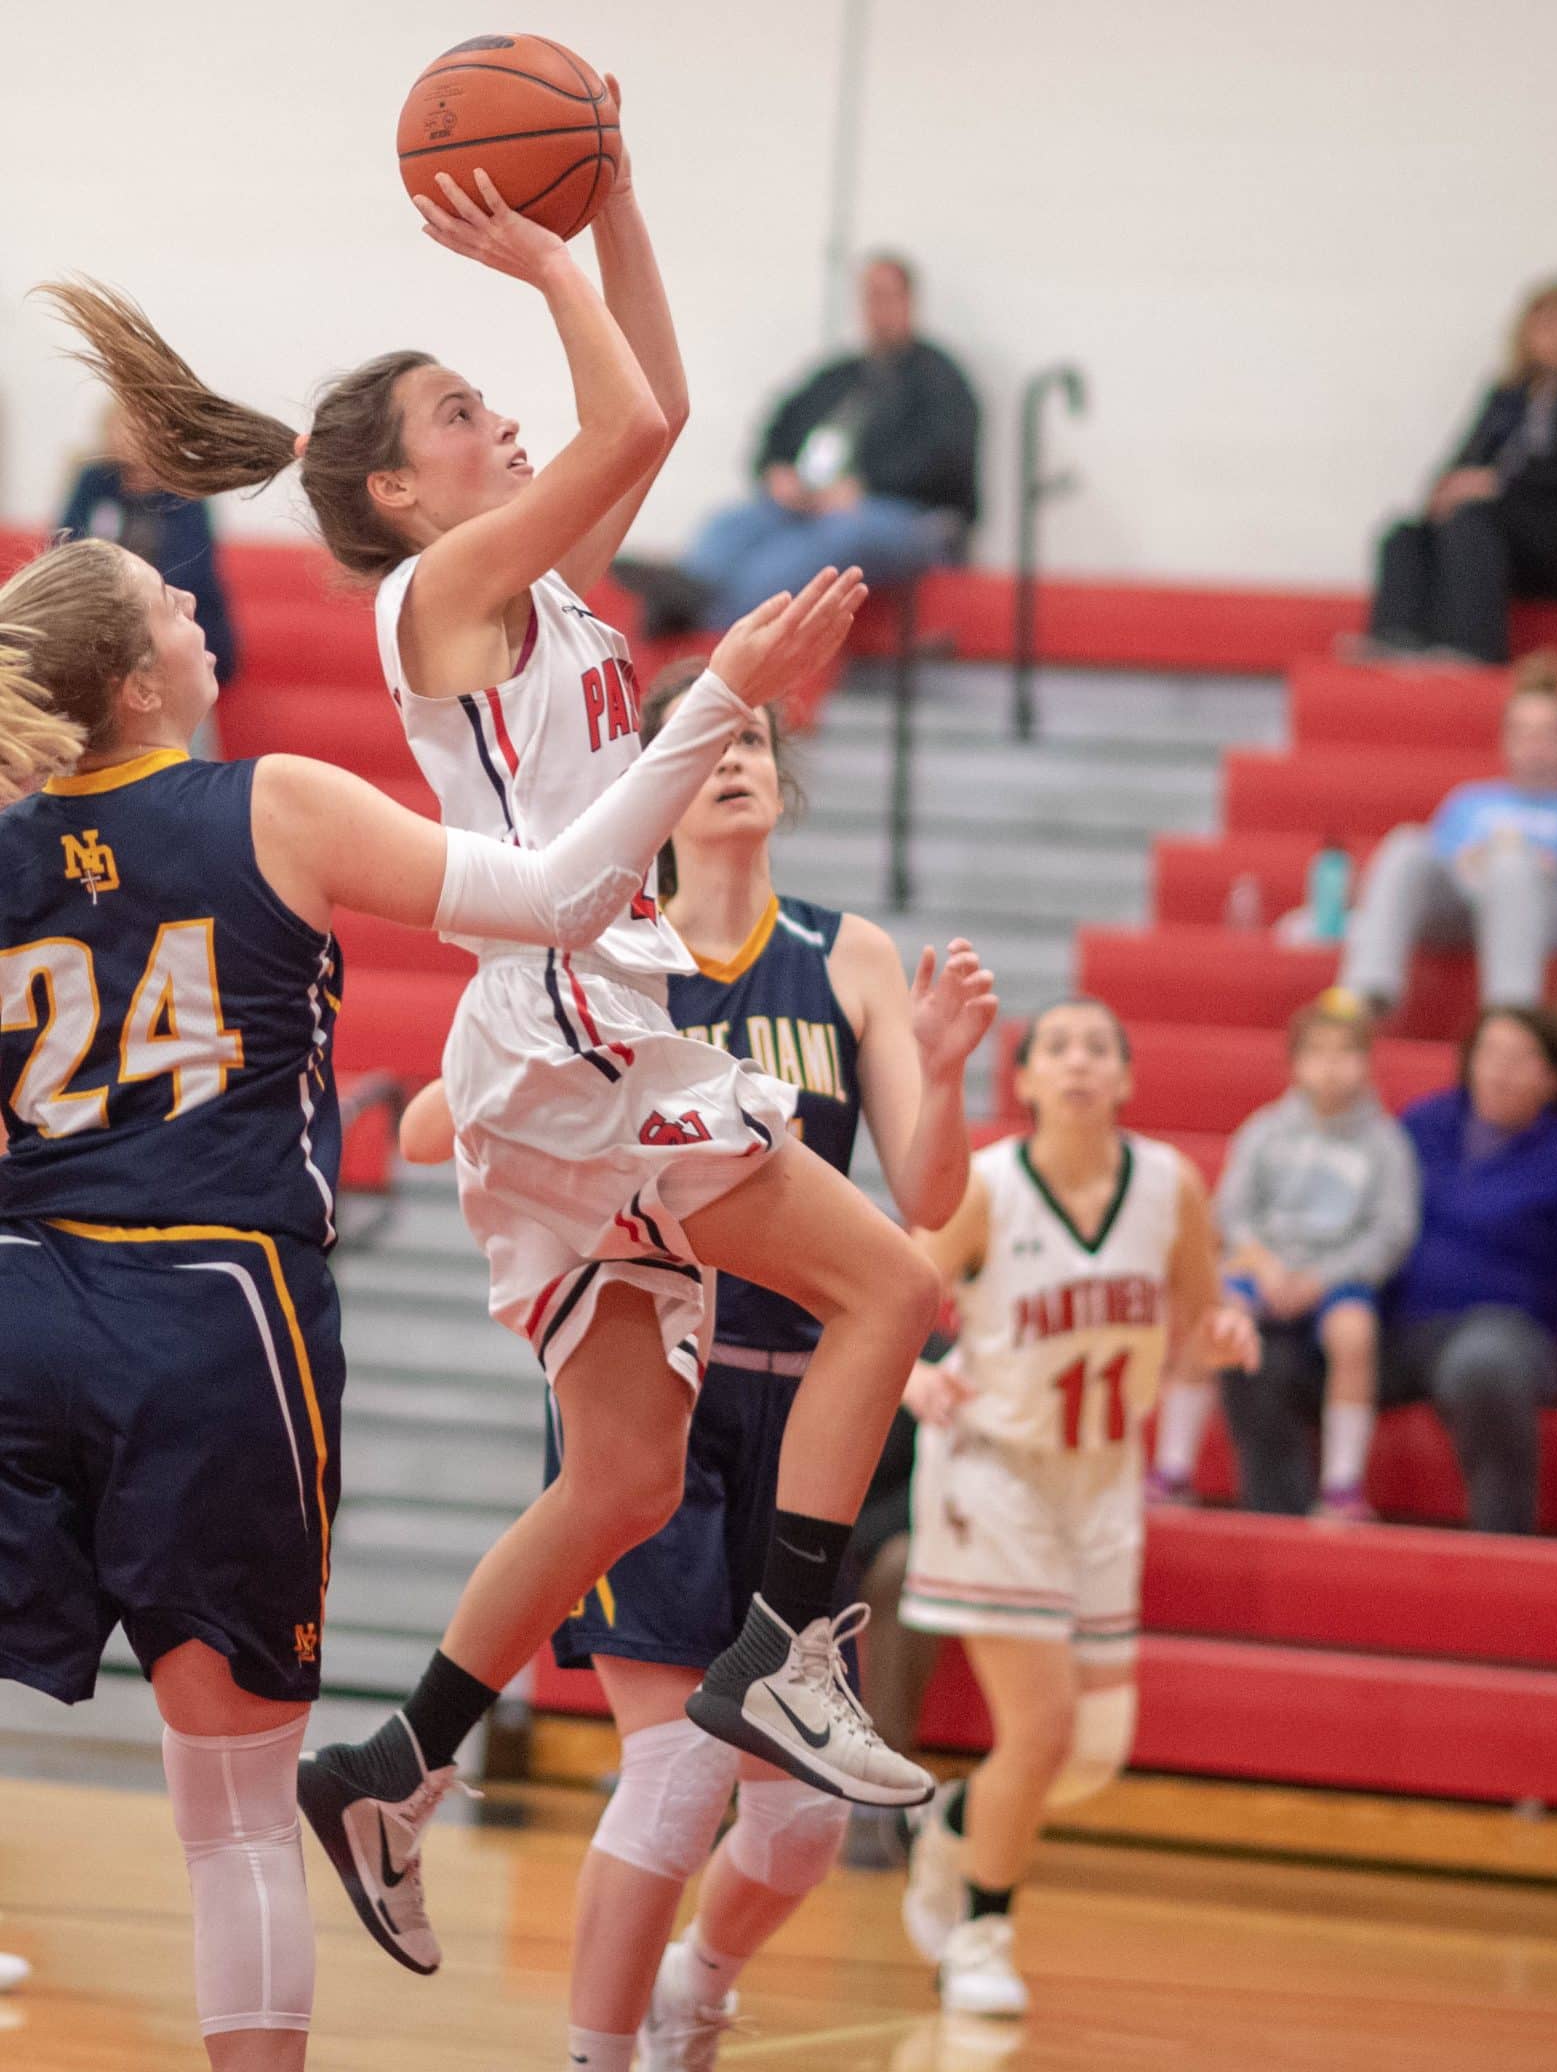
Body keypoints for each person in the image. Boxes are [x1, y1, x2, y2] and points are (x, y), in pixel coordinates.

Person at [51, 129, 950, 2041]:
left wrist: (610, 203)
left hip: (559, 1045)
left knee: (624, 1475)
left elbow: (656, 405)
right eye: (465, 413)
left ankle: (395, 1761)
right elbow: (637, 423)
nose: (511, 423)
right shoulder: (433, 603)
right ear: (397, 491)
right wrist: (545, 260)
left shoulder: (546, 600)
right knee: (893, 1288)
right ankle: (792, 1648)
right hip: (578, 1032)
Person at [0, 529, 844, 2070]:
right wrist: (719, 693)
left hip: (17, 1298)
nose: (196, 603)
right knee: (233, 1822)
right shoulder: (269, 801)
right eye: (168, 601)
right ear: (135, 684)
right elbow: (567, 894)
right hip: (208, 1316)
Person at [404, 661, 996, 2067]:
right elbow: (435, 1126)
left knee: (801, 1818)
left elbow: (925, 1201)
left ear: (782, 779)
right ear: (651, 786)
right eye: (706, 740)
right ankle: (599, 2054)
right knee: (674, 1774)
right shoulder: (605, 947)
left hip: (809, 1422)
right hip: (658, 1393)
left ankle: (697, 1986)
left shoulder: (847, 955)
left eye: (753, 740)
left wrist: (947, 1067)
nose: (733, 758)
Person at [895, 999, 1257, 2019]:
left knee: (1091, 1752)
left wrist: (1222, 1336)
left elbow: (1197, 1322)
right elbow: (889, 1296)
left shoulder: (1171, 1184)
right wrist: (912, 1378)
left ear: (1126, 1078)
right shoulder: (987, 1187)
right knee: (1043, 1726)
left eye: (1099, 1047)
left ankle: (952, 1822)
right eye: (1056, 1047)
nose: (1078, 1062)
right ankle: (981, 1931)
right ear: (1025, 1081)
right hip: (993, 1469)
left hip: (1103, 1477)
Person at [1222, 1007, 1557, 1535]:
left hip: (1503, 1333)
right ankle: (1280, 1535)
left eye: (1519, 1059)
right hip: (1392, 1329)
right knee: (1250, 1349)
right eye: (1488, 1054)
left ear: (1555, 1077)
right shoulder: (1421, 1125)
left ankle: (1500, 1549)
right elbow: (1360, 1221)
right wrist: (1291, 1277)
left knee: (1483, 1365)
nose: (1498, 1071)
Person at [1150, 990, 1419, 1522]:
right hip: (1261, 1268)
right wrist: (1264, 1266)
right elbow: (1232, 1211)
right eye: (1317, 1054)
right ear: (1294, 1064)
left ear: (1368, 1063)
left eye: (1346, 1054)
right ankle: (1172, 1467)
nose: (1331, 1068)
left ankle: (1342, 1484)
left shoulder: (1386, 1143)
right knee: (1209, 1319)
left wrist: (1321, 1279)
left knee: (1354, 1335)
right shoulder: (1265, 1130)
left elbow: (1391, 1233)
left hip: (1337, 1278)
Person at [619, 253, 979, 637]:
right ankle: (687, 591)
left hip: (903, 517)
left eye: (886, 295)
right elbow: (779, 429)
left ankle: (711, 620)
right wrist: (777, 472)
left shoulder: (940, 378)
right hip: (812, 503)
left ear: (909, 300)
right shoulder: (837, 377)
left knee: (827, 540)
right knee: (733, 523)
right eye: (869, 296)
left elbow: (947, 459)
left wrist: (865, 487)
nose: (876, 307)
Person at [1356, 278, 1557, 667]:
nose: (1554, 337)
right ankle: (1396, 640)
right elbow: (1464, 460)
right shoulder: (1509, 396)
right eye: (1544, 324)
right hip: (1503, 536)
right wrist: (1448, 489)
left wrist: (1499, 484)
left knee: (1472, 522)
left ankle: (1472, 648)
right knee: (1406, 535)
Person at [1339, 656, 1557, 1016]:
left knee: (1512, 864)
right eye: (1523, 732)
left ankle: (1509, 1016)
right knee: (1407, 843)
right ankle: (1364, 998)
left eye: (1546, 733)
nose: (1534, 745)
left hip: (1540, 913)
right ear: (1504, 740)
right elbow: (1433, 871)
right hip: (1464, 906)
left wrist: (1547, 871)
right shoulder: (1469, 802)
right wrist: (1469, 861)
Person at [61, 398, 239, 684]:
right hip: (100, 621)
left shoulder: (185, 490)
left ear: (164, 436)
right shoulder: (94, 481)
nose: (125, 436)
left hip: (174, 621)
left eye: (137, 427)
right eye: (120, 425)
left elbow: (191, 571)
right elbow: (65, 548)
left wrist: (126, 600)